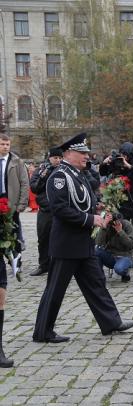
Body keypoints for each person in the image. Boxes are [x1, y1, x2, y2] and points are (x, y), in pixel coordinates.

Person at [33, 133, 133, 343]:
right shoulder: (60, 177)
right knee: (55, 289)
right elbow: (60, 209)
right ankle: (43, 331)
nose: (86, 157)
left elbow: (82, 201)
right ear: (68, 153)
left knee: (97, 283)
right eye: (82, 153)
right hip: (67, 244)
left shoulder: (78, 174)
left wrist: (97, 207)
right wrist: (91, 219)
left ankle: (111, 322)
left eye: (86, 153)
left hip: (83, 242)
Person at [0, 133, 29, 367]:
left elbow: (24, 183)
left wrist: (19, 206)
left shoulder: (17, 161)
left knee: (14, 240)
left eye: (7, 144)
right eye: (2, 143)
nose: (5, 146)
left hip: (9, 207)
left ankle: (15, 263)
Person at [99, 142, 133, 274]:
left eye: (126, 155)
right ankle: (127, 259)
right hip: (122, 202)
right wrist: (104, 163)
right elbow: (103, 172)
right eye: (123, 155)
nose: (124, 157)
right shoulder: (116, 160)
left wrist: (129, 166)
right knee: (122, 229)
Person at [29, 147, 63, 276]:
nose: (58, 160)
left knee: (60, 238)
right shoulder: (42, 169)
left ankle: (60, 265)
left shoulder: (64, 170)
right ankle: (44, 265)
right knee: (43, 238)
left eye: (60, 158)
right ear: (49, 158)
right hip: (45, 210)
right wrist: (44, 177)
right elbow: (34, 188)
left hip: (60, 210)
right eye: (55, 158)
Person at [95, 212, 133, 282]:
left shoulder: (127, 225)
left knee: (119, 269)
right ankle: (99, 277)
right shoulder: (108, 225)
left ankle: (125, 273)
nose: (116, 223)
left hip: (124, 256)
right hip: (111, 256)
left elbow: (131, 245)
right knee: (95, 251)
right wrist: (103, 226)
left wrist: (120, 231)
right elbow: (98, 243)